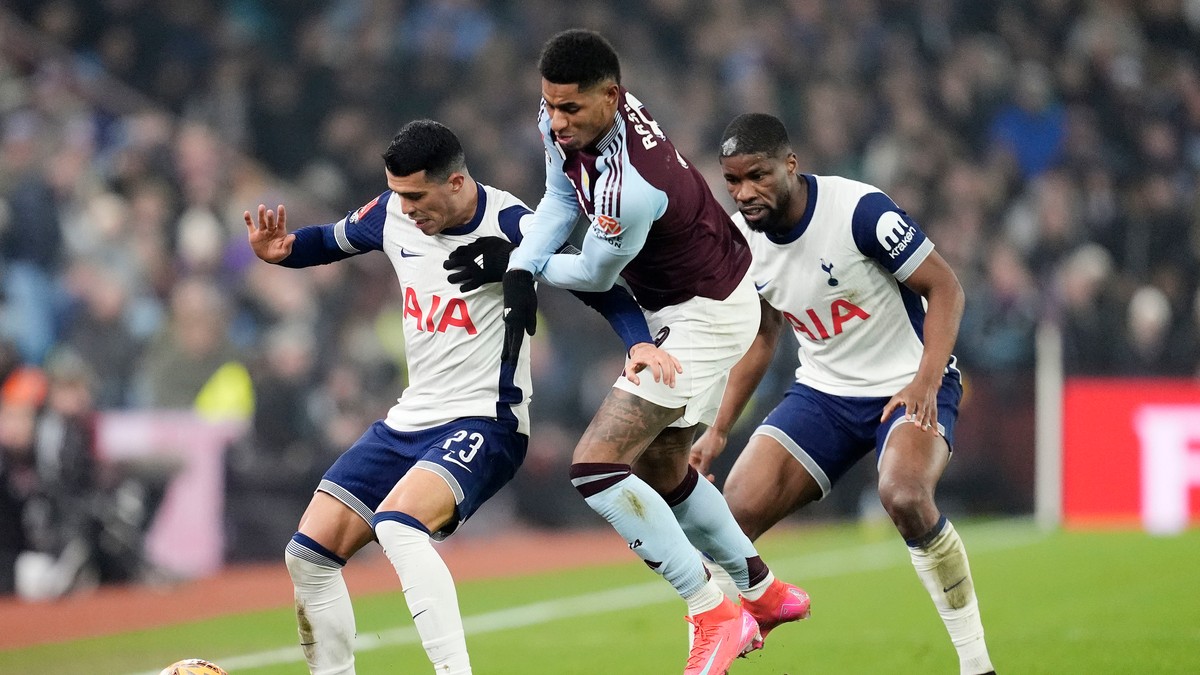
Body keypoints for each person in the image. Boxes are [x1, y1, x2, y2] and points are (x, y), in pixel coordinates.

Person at [245, 119, 674, 675]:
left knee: (398, 526)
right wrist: (285, 250)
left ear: (455, 183)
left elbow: (598, 285)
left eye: (416, 195)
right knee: (307, 556)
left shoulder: (517, 224)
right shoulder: (392, 213)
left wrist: (638, 342)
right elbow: (331, 239)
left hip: (487, 421)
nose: (406, 208)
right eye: (397, 193)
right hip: (410, 419)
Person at [446, 30, 809, 675]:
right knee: (668, 469)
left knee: (596, 465)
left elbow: (592, 272)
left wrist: (515, 264)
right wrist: (525, 267)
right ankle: (763, 591)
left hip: (704, 313)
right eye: (549, 107)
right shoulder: (570, 122)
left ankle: (712, 611)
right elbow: (560, 199)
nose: (556, 123)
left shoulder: (630, 186)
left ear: (612, 97)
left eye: (570, 111)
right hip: (695, 293)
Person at [693, 112, 996, 675]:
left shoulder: (859, 211)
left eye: (756, 175)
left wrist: (926, 379)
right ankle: (730, 636)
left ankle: (976, 664)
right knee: (726, 522)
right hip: (824, 392)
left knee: (904, 496)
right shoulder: (740, 242)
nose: (744, 192)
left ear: (790, 164)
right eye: (732, 181)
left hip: (907, 381)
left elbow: (946, 287)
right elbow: (763, 337)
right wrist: (716, 429)